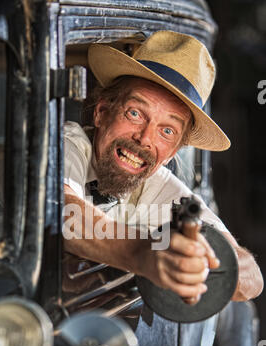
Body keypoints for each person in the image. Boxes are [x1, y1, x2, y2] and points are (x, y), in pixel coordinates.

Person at [63, 30, 263, 304]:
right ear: (101, 112)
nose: (144, 139)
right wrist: (145, 253)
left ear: (172, 154)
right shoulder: (67, 144)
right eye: (135, 113)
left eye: (167, 131)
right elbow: (63, 211)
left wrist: (197, 262)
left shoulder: (157, 185)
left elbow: (251, 279)